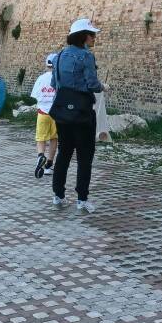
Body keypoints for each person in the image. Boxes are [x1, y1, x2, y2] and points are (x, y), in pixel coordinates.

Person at [50, 18, 102, 213]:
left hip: (62, 110)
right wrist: (103, 86)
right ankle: (82, 198)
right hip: (82, 111)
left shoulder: (59, 56)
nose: (94, 37)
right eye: (92, 34)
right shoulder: (86, 56)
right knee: (84, 156)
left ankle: (58, 195)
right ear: (83, 36)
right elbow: (92, 84)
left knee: (63, 153)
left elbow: (55, 84)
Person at [30, 53, 58, 178]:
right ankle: (49, 165)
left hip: (42, 113)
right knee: (54, 138)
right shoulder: (60, 78)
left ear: (47, 65)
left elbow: (35, 95)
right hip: (56, 113)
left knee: (41, 138)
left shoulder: (41, 78)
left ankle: (41, 156)